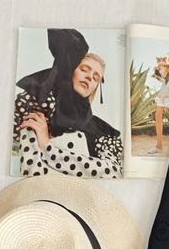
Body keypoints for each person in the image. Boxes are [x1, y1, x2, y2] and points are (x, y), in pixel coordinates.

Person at [13, 29, 124, 178]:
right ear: (71, 70)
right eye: (84, 69)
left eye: (96, 78)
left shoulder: (103, 130)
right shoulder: (39, 104)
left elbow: (113, 172)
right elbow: (32, 171)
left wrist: (47, 147)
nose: (89, 77)